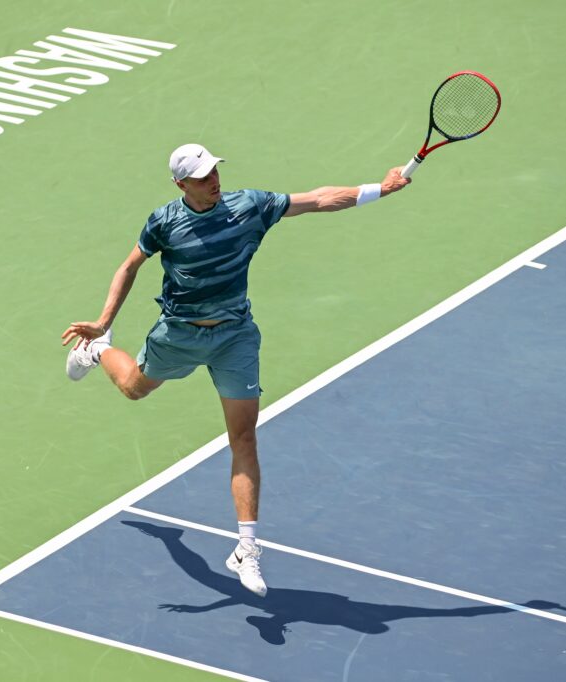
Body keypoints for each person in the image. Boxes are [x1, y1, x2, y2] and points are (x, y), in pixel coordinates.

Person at [61, 143, 410, 597]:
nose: (213, 179)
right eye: (202, 176)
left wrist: (378, 189)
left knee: (244, 437)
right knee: (132, 388)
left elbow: (317, 199)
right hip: (180, 333)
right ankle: (97, 350)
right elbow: (130, 266)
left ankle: (248, 547)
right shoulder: (164, 221)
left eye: (214, 171)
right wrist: (104, 320)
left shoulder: (249, 206)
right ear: (181, 184)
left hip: (235, 337)